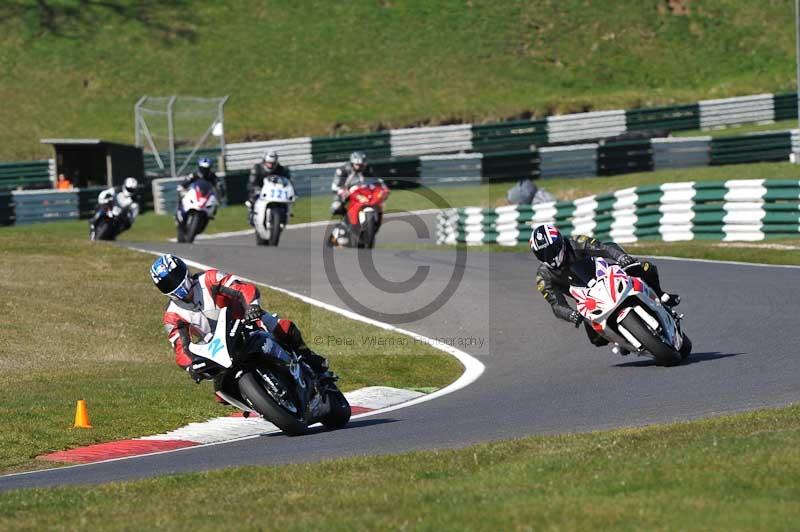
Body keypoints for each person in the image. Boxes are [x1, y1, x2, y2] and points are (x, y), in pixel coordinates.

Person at [149, 254, 330, 402]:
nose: (174, 283)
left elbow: (241, 288)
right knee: (221, 394)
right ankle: (259, 403)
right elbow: (181, 348)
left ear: (184, 270)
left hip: (245, 322)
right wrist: (191, 366)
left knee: (282, 327)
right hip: (218, 347)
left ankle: (309, 358)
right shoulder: (172, 315)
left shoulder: (209, 279)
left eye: (175, 276)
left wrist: (252, 306)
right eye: (167, 283)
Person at [530, 223, 680, 355]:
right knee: (596, 340)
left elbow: (605, 248)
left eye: (551, 250)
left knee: (645, 268)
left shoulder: (575, 242)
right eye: (542, 253)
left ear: (560, 243)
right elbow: (556, 304)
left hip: (606, 275)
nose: (548, 256)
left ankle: (661, 296)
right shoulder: (543, 276)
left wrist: (622, 258)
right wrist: (571, 315)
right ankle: (623, 339)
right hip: (587, 301)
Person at [246, 150, 292, 225]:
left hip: (275, 191)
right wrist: (256, 188)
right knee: (252, 198)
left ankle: (285, 215)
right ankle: (251, 213)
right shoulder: (257, 168)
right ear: (264, 161)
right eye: (268, 163)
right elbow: (252, 182)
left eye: (273, 163)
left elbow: (288, 181)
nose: (270, 165)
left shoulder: (281, 169)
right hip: (260, 190)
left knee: (287, 201)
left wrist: (290, 189)